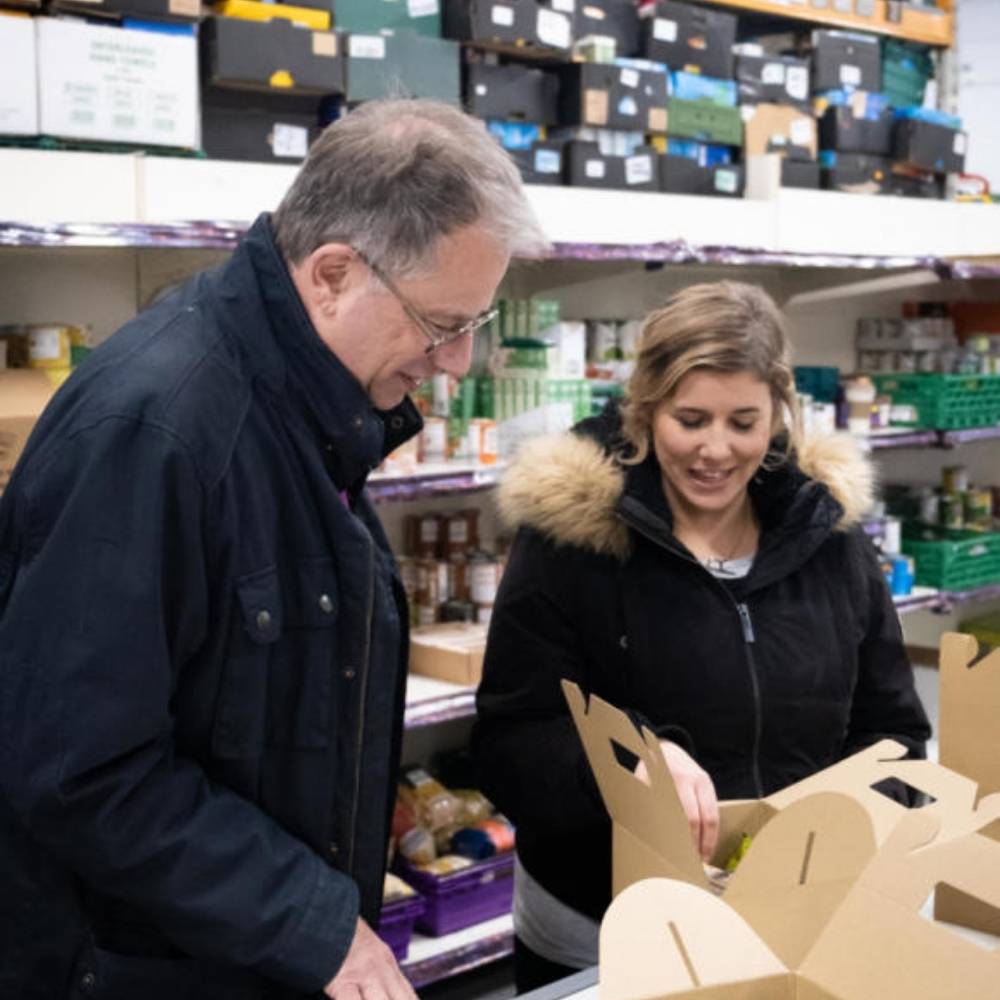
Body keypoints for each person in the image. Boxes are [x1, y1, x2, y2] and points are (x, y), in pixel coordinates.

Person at [0, 99, 546, 1000]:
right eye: (444, 325)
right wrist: (311, 921)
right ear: (333, 274)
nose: (455, 364)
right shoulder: (158, 432)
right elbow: (78, 770)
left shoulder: (307, 410)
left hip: (239, 953)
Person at [473, 281, 931, 993]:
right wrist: (633, 765)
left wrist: (853, 844)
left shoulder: (828, 540)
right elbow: (511, 740)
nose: (716, 450)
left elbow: (893, 735)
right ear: (646, 408)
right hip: (604, 934)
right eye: (690, 419)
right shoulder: (572, 543)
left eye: (743, 422)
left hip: (790, 923)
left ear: (778, 412)